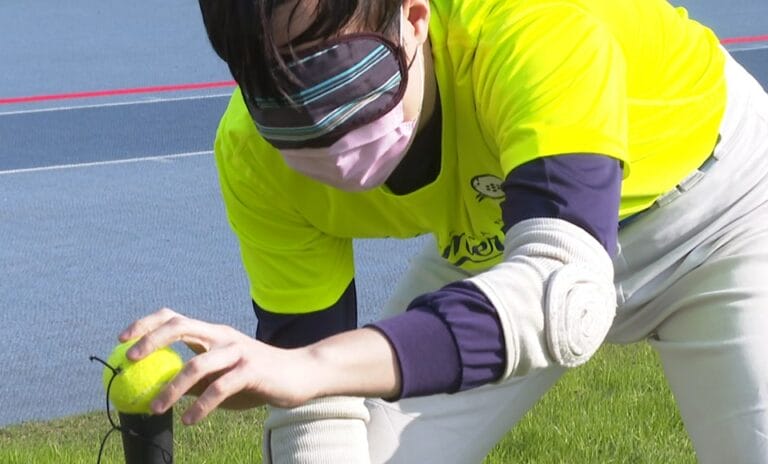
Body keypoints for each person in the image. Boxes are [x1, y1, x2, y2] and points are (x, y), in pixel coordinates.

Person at [119, 0, 768, 462]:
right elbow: (312, 404)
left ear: (414, 17)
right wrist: (306, 371)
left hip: (721, 217)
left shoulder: (528, 24)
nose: (325, 126)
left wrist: (311, 366)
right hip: (504, 243)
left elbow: (564, 298)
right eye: (282, 102)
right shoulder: (251, 156)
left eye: (343, 77)